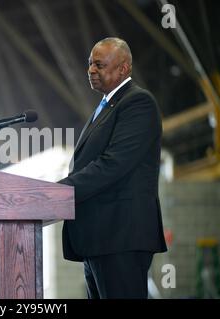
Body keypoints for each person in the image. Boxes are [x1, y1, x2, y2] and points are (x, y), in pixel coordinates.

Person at [58, 37, 167, 299]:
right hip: (99, 239)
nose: (91, 70)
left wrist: (58, 191)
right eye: (89, 64)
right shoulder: (107, 105)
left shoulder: (138, 103)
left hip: (121, 236)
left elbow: (113, 164)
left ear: (124, 69)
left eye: (99, 64)